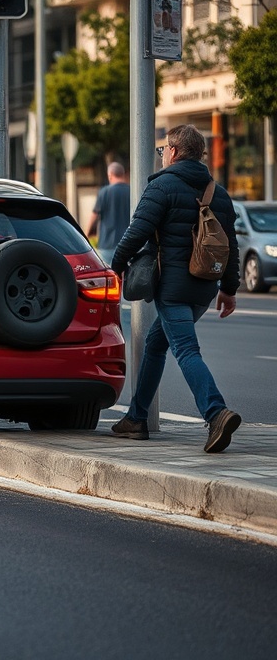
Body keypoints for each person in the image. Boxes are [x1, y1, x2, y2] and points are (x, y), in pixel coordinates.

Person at [110, 124, 241, 453]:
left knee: (186, 350)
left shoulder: (163, 186)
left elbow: (137, 231)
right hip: (205, 288)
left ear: (175, 152)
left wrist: (115, 268)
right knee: (156, 345)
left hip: (173, 286)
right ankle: (137, 418)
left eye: (164, 149)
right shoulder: (219, 193)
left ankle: (215, 413)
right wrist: (229, 289)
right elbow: (231, 247)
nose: (163, 154)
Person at [86, 161, 130, 267]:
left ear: (110, 175)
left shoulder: (104, 192)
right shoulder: (132, 191)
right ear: (123, 174)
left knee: (109, 276)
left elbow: (94, 215)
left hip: (107, 243)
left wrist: (86, 234)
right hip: (128, 243)